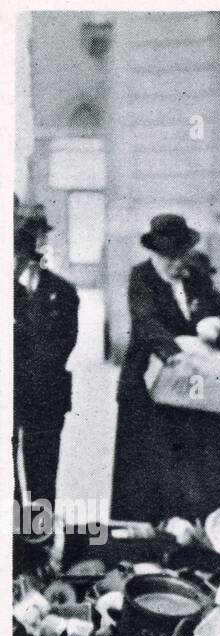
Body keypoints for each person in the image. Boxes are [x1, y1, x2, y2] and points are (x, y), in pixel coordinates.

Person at [111, 213, 220, 523]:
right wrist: (173, 352)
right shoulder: (141, 277)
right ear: (155, 253)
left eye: (180, 255)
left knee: (190, 465)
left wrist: (216, 323)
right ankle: (147, 537)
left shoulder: (196, 275)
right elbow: (146, 322)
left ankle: (191, 529)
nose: (176, 263)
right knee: (147, 470)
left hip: (192, 390)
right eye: (168, 256)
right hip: (149, 388)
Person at [13, 208, 79, 566]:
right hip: (13, 395)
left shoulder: (63, 292)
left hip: (46, 396)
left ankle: (37, 543)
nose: (37, 248)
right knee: (9, 474)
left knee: (42, 472)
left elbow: (66, 343)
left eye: (42, 239)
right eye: (29, 241)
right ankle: (14, 544)